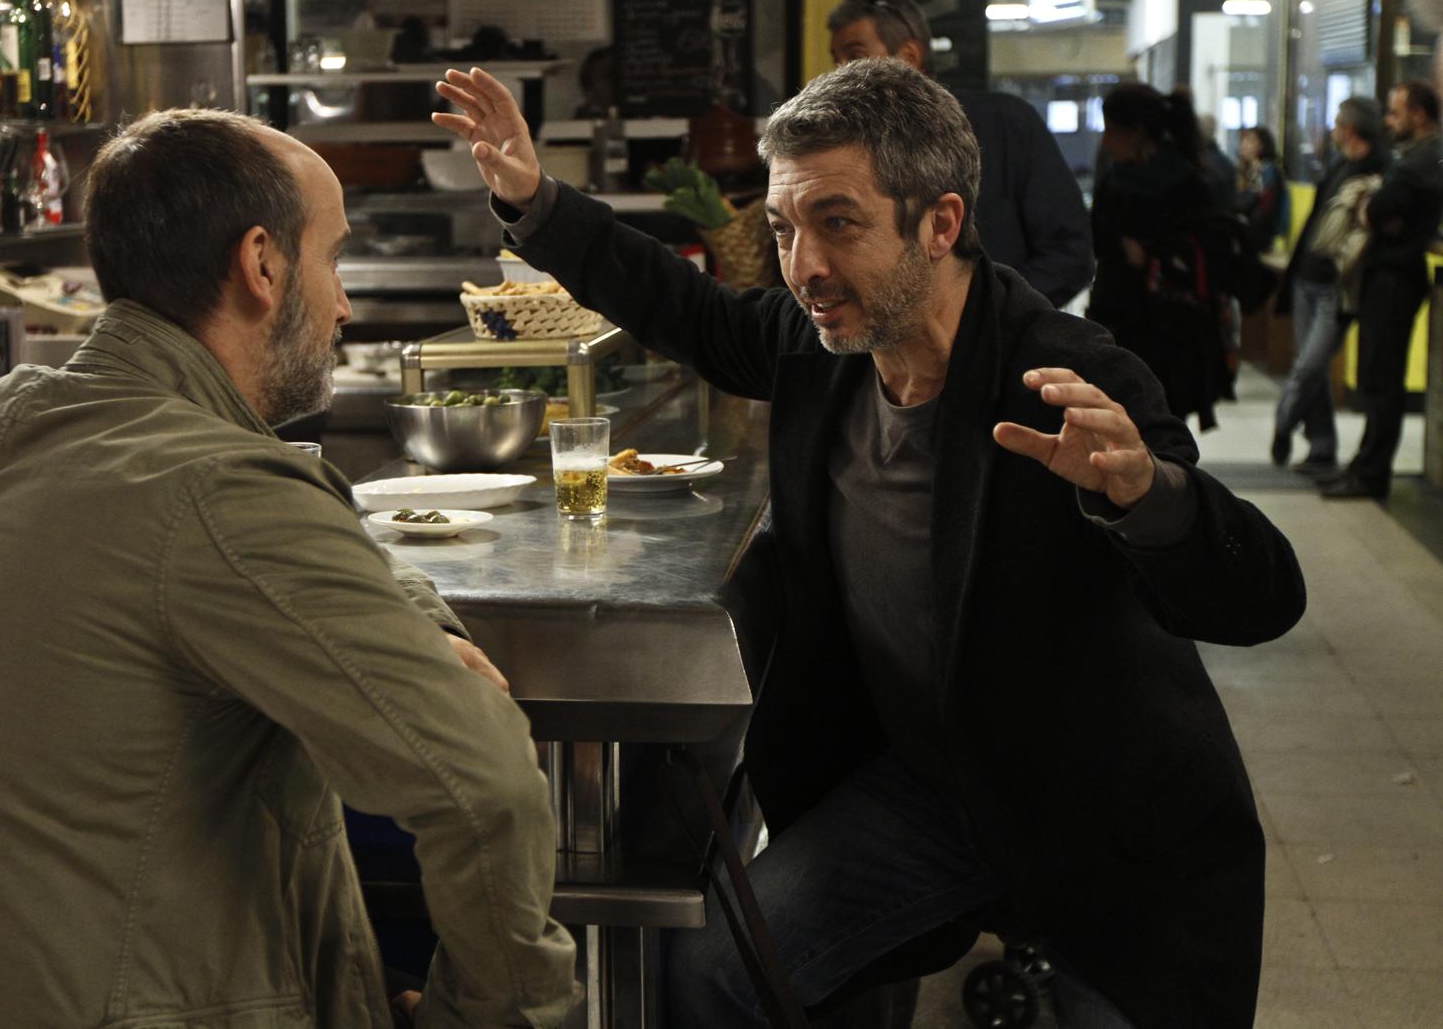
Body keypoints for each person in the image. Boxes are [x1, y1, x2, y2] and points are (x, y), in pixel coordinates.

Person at [434, 60, 1306, 1029]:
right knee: (716, 970)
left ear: (940, 223)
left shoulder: (1064, 374)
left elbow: (1261, 595)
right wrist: (536, 201)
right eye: (783, 229)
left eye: (837, 223)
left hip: (1103, 817)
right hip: (931, 792)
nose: (803, 265)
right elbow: (693, 312)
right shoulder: (821, 348)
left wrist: (1149, 496)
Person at [0, 109, 577, 1029]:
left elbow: (268, 520)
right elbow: (486, 787)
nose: (344, 305)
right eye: (334, 260)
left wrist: (408, 620)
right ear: (261, 264)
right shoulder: (219, 487)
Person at [827, 0, 1094, 309]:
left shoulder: (1005, 124)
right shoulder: (847, 149)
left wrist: (990, 314)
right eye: (836, 61)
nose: (839, 74)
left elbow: (1069, 253)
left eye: (854, 56)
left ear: (908, 56)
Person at [1322, 80, 1443, 500]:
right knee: (1375, 377)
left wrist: (1371, 207)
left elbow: (1374, 210)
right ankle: (1363, 465)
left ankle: (1372, 474)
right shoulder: (1413, 157)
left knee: (1382, 380)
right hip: (1388, 279)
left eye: (1396, 112)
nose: (1388, 121)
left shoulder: (1421, 161)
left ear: (1419, 115)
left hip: (1394, 281)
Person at [1088, 83, 1234, 431]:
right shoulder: (1186, 176)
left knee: (1141, 420)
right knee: (1161, 423)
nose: (1106, 141)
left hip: (1150, 323)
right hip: (1165, 325)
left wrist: (1145, 253)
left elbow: (1099, 240)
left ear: (1137, 132)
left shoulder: (1143, 183)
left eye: (1111, 130)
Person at [1270, 98, 1387, 473]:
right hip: (1306, 278)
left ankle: (1283, 421)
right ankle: (1322, 447)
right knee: (1313, 371)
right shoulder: (1339, 164)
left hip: (1337, 286)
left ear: (1349, 129)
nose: (1333, 131)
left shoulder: (1380, 169)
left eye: (1337, 124)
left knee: (1309, 366)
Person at [1236, 126, 1288, 254]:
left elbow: (1265, 208)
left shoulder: (1267, 169)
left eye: (1250, 141)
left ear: (1262, 146)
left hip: (1261, 235)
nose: (1244, 145)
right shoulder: (1248, 169)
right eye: (1243, 140)